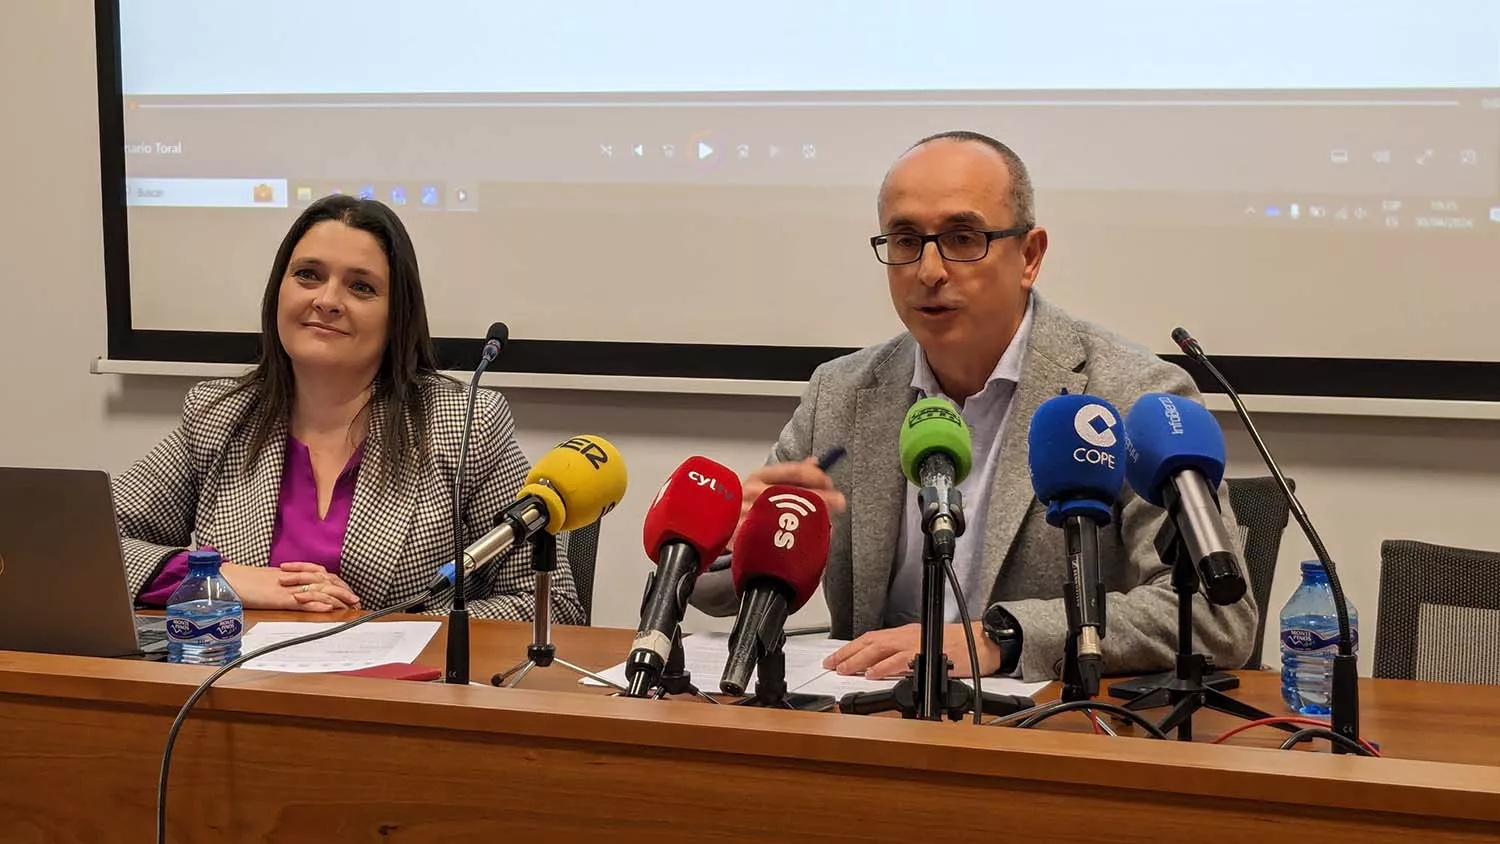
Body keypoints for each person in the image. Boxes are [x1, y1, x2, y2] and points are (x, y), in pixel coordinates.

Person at [689, 131, 1255, 681]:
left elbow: (1217, 618)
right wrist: (731, 539)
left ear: (1029, 255)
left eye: (963, 238)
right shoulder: (839, 395)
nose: (929, 271)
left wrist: (998, 638)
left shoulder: (1130, 396)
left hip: (1050, 724)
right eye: (905, 240)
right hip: (867, 716)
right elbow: (720, 593)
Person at [113, 195, 583, 623]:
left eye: (360, 286)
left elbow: (550, 605)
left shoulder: (462, 423)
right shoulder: (221, 415)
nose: (327, 300)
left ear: (397, 315)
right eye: (308, 275)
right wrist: (220, 580)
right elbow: (90, 544)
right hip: (240, 681)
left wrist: (383, 630)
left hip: (394, 684)